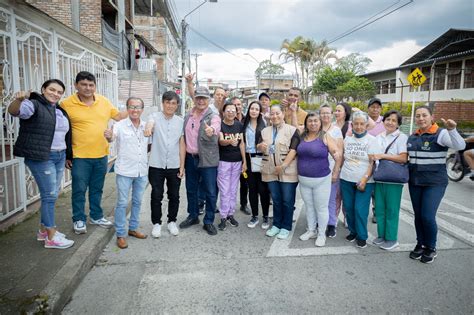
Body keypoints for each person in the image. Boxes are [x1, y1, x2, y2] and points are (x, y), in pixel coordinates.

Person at [9, 79, 74, 249]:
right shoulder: (34, 104)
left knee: (52, 193)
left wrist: (67, 155)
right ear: (43, 89)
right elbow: (14, 111)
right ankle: (51, 236)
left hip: (59, 156)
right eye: (52, 90)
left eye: (59, 92)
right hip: (42, 156)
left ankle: (43, 231)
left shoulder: (58, 110)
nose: (55, 94)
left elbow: (65, 135)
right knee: (50, 195)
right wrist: (19, 99)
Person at [61, 71, 128, 234]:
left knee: (97, 188)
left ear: (95, 86)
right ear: (76, 85)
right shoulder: (66, 104)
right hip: (79, 156)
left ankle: (96, 216)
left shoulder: (103, 102)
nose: (87, 88)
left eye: (91, 85)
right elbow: (60, 130)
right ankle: (78, 219)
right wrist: (66, 155)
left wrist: (132, 108)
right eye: (83, 84)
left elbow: (119, 117)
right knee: (79, 189)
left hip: (101, 154)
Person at [407, 106, 465, 263]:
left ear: (431, 117)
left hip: (435, 183)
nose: (421, 118)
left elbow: (460, 146)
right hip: (415, 182)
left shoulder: (441, 134)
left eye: (424, 115)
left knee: (427, 216)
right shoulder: (412, 136)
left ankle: (431, 247)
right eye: (418, 116)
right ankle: (420, 243)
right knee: (418, 216)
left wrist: (452, 130)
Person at [105, 97, 149, 249]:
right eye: (131, 107)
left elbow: (149, 145)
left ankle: (133, 228)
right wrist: (109, 136)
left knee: (137, 201)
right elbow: (112, 137)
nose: (135, 110)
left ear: (142, 110)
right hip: (124, 170)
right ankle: (121, 234)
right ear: (127, 108)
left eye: (138, 107)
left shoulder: (146, 126)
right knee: (122, 203)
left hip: (141, 171)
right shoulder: (119, 125)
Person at [179, 86, 221, 235]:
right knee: (191, 189)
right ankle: (193, 215)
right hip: (191, 159)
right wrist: (182, 164)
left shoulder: (213, 115)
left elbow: (216, 126)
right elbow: (183, 138)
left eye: (204, 98)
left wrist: (212, 130)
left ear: (208, 100)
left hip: (208, 159)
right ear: (194, 99)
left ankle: (208, 220)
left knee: (210, 191)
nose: (201, 100)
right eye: (198, 98)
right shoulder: (188, 116)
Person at [297, 112, 341, 247]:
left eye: (316, 121)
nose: (313, 123)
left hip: (321, 179)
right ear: (306, 123)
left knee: (321, 208)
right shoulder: (302, 136)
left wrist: (335, 172)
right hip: (304, 179)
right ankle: (311, 230)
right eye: (310, 121)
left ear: (320, 122)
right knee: (309, 207)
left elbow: (337, 155)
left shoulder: (325, 136)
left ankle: (322, 234)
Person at [145, 91, 185, 238]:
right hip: (156, 164)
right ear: (163, 103)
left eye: (173, 103)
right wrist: (149, 128)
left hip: (174, 164)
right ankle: (156, 223)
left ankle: (171, 221)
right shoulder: (154, 117)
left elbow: (182, 144)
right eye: (167, 102)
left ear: (177, 105)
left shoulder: (180, 121)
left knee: (174, 195)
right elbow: (150, 124)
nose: (170, 105)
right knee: (156, 194)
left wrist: (182, 166)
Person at [257, 104, 299, 239]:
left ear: (283, 114)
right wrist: (260, 146)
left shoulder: (292, 130)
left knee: (287, 200)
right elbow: (258, 146)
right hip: (269, 169)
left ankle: (286, 226)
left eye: (277, 113)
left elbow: (294, 149)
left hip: (287, 170)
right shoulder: (265, 131)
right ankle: (276, 224)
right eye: (272, 114)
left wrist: (284, 165)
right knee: (276, 199)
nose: (274, 116)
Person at [339, 111, 380, 249]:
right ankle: (353, 231)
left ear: (366, 125)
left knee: (360, 209)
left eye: (362, 124)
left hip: (365, 180)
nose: (359, 126)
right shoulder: (348, 139)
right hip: (346, 178)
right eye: (356, 124)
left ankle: (362, 236)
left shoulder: (372, 140)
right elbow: (343, 157)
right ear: (352, 124)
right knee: (349, 208)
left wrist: (365, 178)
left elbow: (372, 163)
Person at [372, 110, 408, 250]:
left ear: (398, 123)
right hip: (380, 177)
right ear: (383, 121)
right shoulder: (379, 136)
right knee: (380, 209)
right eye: (388, 119)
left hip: (393, 179)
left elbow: (403, 158)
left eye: (394, 120)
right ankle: (382, 235)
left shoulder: (401, 137)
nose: (390, 122)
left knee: (391, 210)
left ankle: (392, 238)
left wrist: (383, 156)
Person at [217, 102, 247, 230]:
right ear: (223, 112)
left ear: (236, 112)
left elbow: (242, 144)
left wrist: (244, 161)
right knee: (225, 191)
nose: (230, 112)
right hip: (223, 162)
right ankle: (223, 216)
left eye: (233, 110)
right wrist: (230, 141)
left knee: (233, 190)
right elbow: (221, 142)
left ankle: (230, 214)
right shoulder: (220, 125)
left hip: (237, 162)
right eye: (228, 110)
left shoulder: (239, 125)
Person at [243, 101, 271, 229]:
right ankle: (254, 215)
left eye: (256, 109)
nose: (253, 111)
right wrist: (244, 161)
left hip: (260, 158)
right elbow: (242, 143)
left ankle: (265, 216)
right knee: (252, 189)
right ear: (249, 110)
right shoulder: (245, 124)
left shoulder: (264, 124)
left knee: (263, 189)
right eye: (251, 108)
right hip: (249, 158)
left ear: (259, 111)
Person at [319, 104, 344, 237]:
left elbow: (339, 152)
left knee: (331, 199)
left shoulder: (336, 130)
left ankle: (331, 224)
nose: (325, 115)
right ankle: (320, 221)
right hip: (318, 170)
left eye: (328, 113)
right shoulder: (316, 128)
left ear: (332, 114)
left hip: (331, 169)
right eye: (323, 113)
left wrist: (336, 171)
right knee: (319, 198)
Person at [366, 97, 385, 224]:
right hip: (364, 159)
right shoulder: (363, 119)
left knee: (377, 188)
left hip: (379, 159)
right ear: (368, 108)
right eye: (373, 107)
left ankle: (377, 212)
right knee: (365, 185)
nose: (375, 109)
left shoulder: (384, 121)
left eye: (378, 107)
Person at [232, 96, 251, 215]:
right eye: (234, 105)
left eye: (239, 104)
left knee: (245, 182)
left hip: (245, 156)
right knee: (228, 183)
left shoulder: (247, 119)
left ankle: (244, 204)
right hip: (231, 156)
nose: (237, 107)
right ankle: (227, 205)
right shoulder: (227, 119)